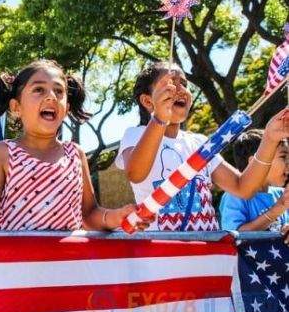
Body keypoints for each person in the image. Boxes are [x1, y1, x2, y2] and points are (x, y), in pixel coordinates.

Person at [0, 59, 144, 231]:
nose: (51, 97)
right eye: (39, 90)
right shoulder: (3, 152)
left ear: (67, 107)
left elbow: (89, 215)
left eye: (58, 91)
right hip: (17, 269)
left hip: (69, 267)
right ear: (16, 107)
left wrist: (116, 216)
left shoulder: (75, 153)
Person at [116, 61, 289, 231]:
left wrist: (270, 138)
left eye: (183, 83)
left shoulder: (199, 143)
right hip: (163, 251)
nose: (180, 89)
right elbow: (135, 173)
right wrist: (160, 118)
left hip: (207, 249)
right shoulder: (135, 135)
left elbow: (243, 188)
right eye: (169, 84)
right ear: (147, 101)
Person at [219, 129, 289, 232]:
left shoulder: (282, 194)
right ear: (254, 163)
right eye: (283, 157)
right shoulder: (235, 196)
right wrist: (276, 210)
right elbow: (235, 236)